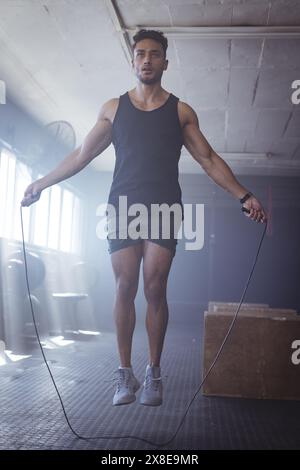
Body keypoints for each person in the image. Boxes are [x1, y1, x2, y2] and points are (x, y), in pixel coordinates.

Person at [21, 29, 267, 407]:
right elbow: (81, 155)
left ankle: (153, 371)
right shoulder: (113, 109)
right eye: (140, 54)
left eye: (154, 54)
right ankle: (124, 373)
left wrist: (243, 195)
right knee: (124, 287)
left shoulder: (181, 111)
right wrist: (42, 182)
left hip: (164, 206)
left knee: (154, 287)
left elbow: (209, 159)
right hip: (122, 206)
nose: (147, 60)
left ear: (165, 62)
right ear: (133, 61)